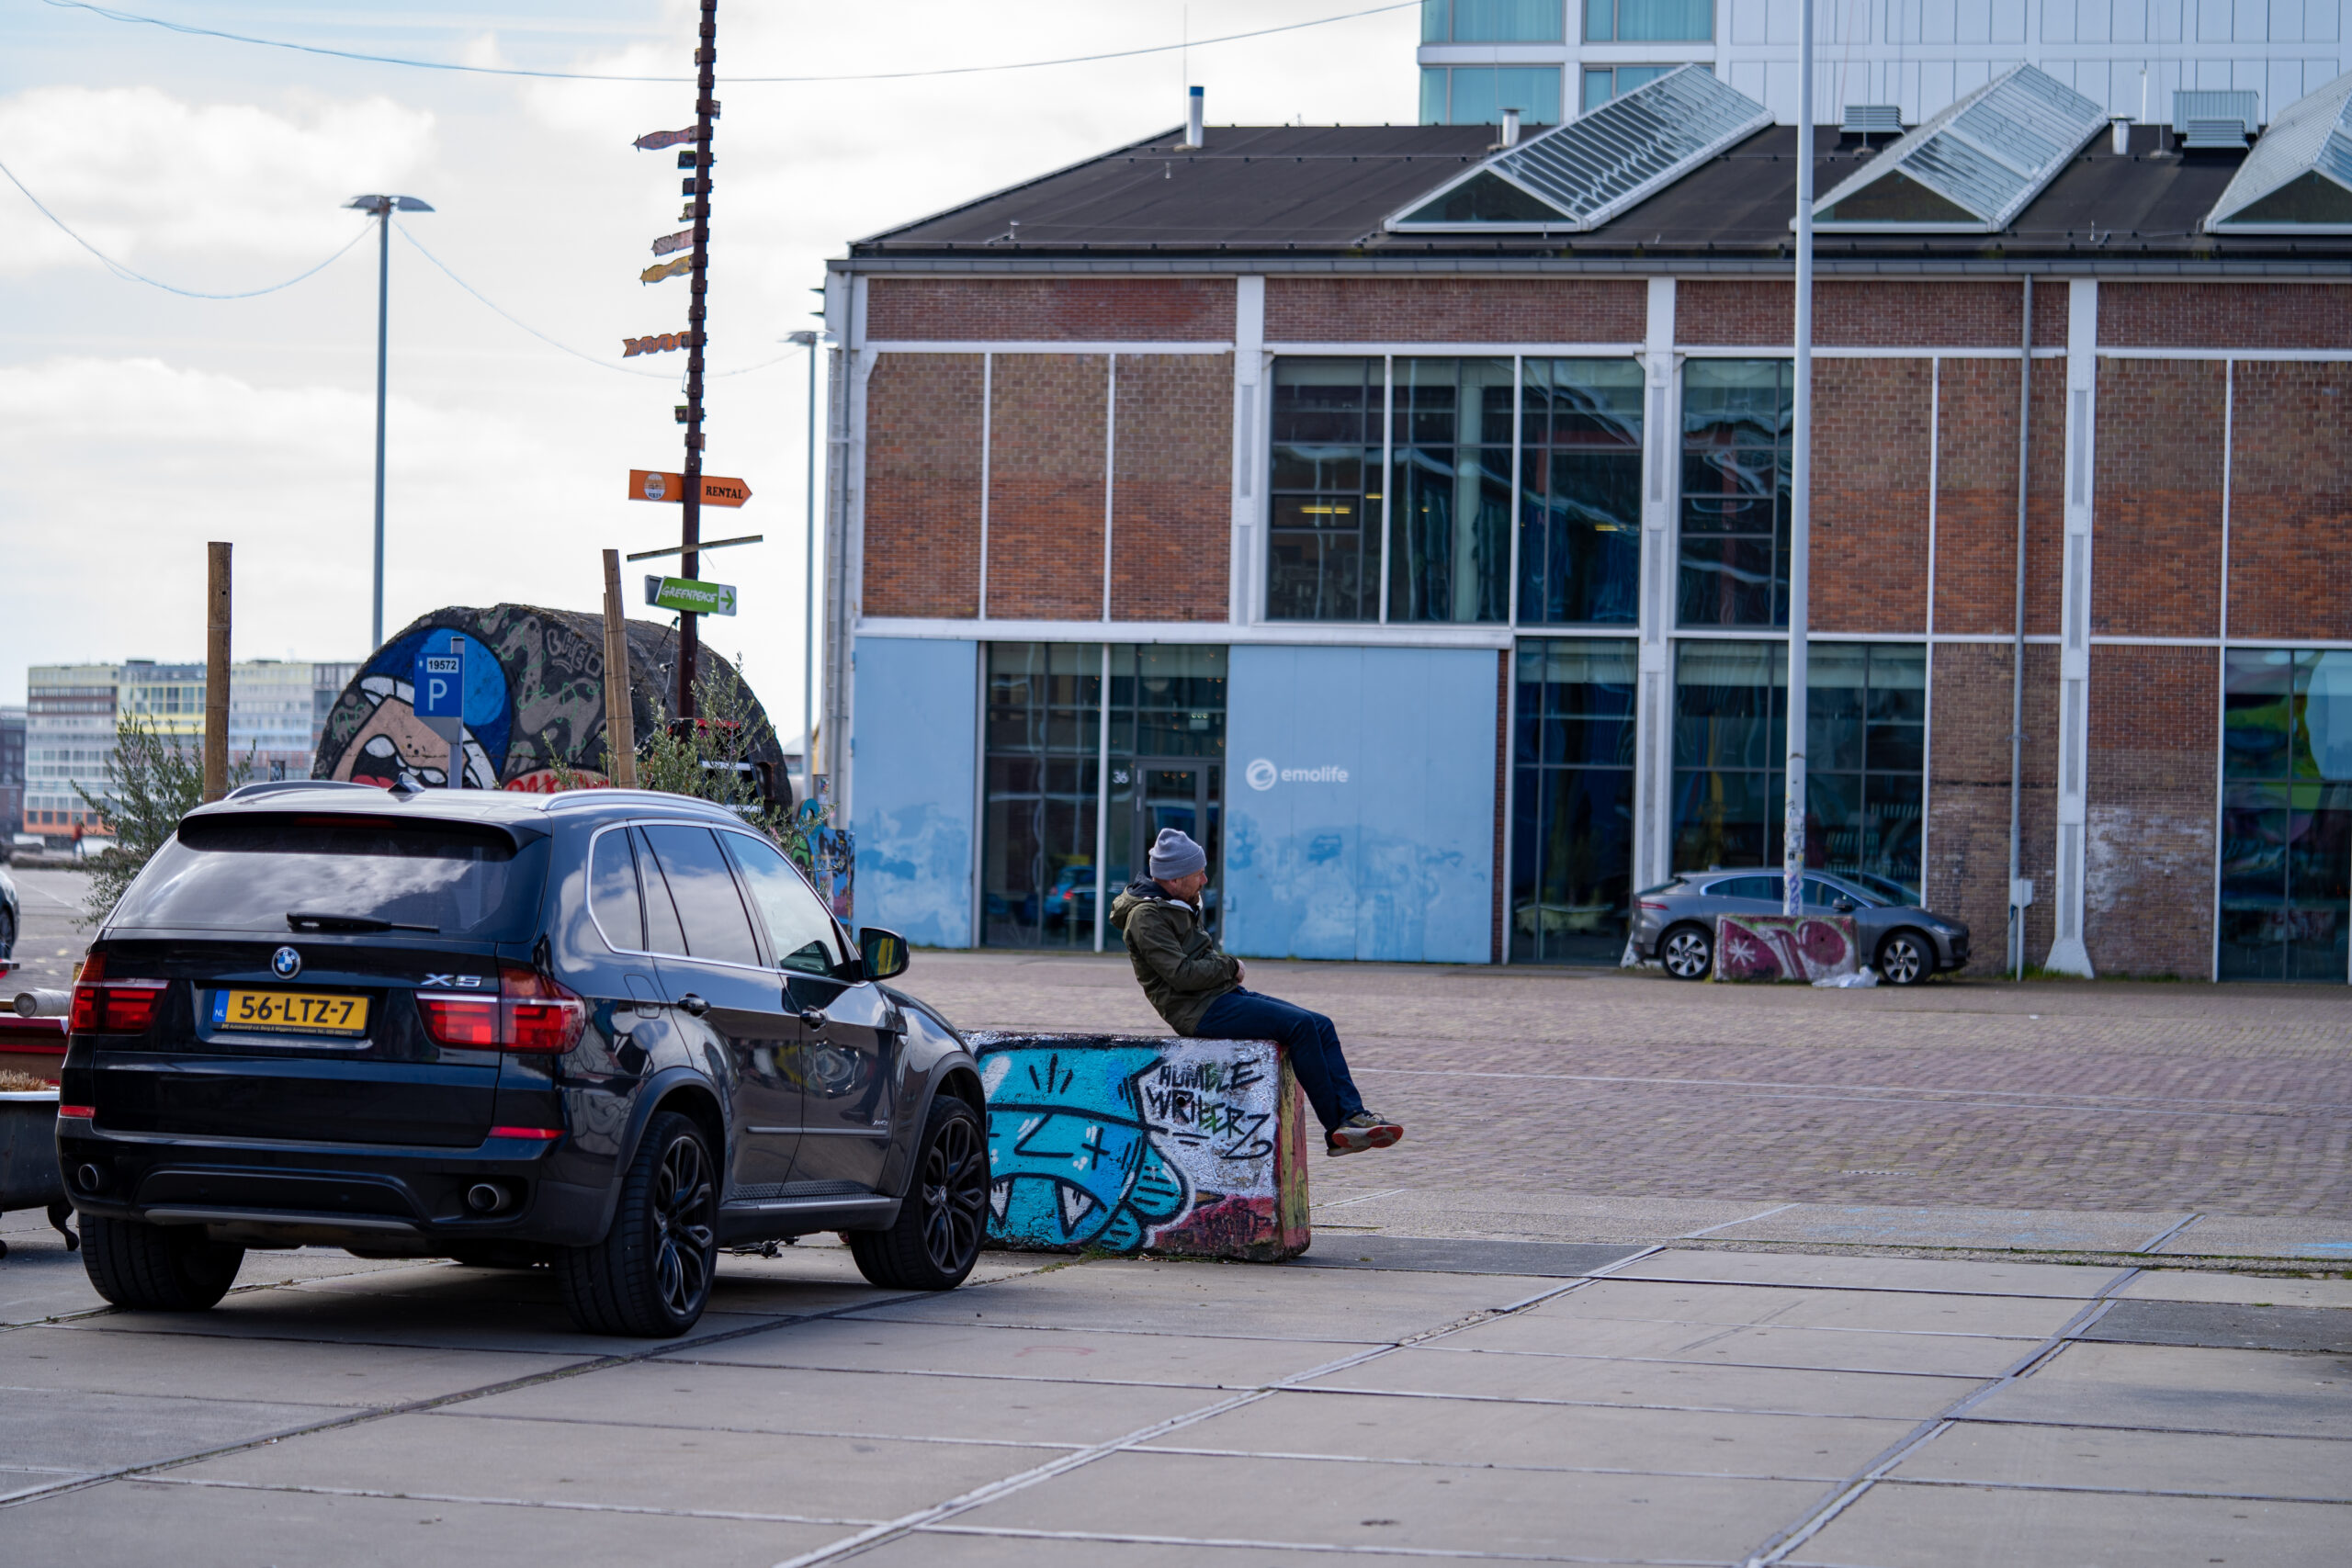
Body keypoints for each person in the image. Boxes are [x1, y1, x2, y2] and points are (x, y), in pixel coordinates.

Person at [1108, 827, 1404, 1157]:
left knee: (1321, 1024)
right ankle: (1336, 1128)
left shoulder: (1177, 902)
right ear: (1175, 879)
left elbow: (1198, 958)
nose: (1204, 880)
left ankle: (1353, 1115)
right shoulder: (1147, 916)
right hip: (1198, 1011)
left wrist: (1225, 970)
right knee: (1299, 1027)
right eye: (1199, 873)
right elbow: (1180, 975)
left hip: (1220, 996)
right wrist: (1230, 967)